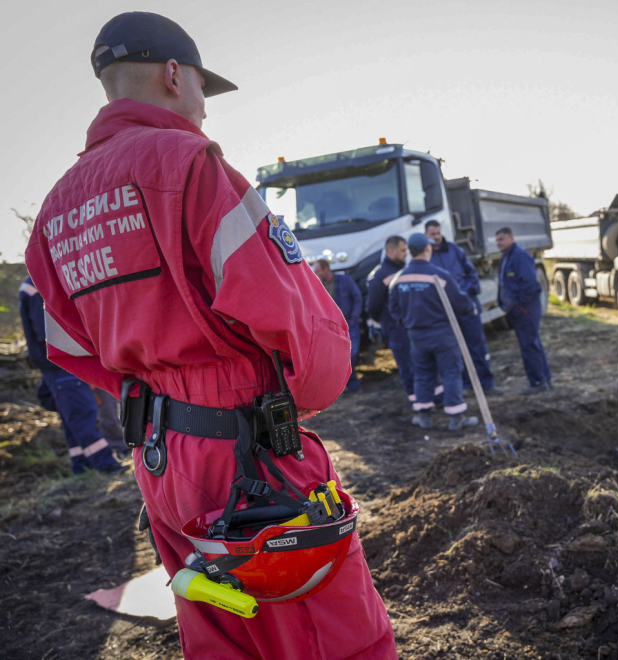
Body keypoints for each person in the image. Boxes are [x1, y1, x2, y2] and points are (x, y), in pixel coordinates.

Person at [24, 12, 395, 659]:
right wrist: (284, 395)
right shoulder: (190, 164)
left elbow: (70, 347)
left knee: (220, 632)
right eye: (201, 88)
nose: (201, 108)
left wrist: (159, 397)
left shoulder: (56, 211)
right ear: (174, 75)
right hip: (248, 454)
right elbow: (296, 320)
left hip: (159, 455)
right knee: (331, 634)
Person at [18, 277, 125, 475]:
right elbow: (46, 330)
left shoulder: (33, 284)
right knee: (81, 414)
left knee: (72, 417)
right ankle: (106, 464)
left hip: (56, 363)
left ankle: (81, 464)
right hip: (63, 361)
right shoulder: (38, 284)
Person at [388, 233, 479, 431]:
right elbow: (461, 302)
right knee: (451, 373)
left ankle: (424, 417)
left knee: (422, 374)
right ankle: (456, 418)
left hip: (416, 336)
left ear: (410, 251)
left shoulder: (398, 279)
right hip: (442, 334)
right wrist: (471, 308)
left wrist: (407, 324)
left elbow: (393, 309)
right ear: (427, 249)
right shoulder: (439, 275)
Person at [425, 220, 502, 395]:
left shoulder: (455, 250)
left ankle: (486, 384)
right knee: (456, 350)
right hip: (445, 311)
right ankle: (467, 385)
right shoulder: (426, 257)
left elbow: (472, 275)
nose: (436, 237)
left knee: (477, 346)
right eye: (433, 234)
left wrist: (464, 295)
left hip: (467, 308)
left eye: (438, 233)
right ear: (426, 236)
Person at [495, 227, 552, 395]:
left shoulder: (519, 256)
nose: (499, 243)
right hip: (519, 310)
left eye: (502, 239)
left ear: (511, 238)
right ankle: (545, 379)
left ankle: (537, 382)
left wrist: (519, 306)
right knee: (533, 344)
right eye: (497, 240)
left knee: (530, 346)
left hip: (525, 310)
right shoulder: (507, 257)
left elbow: (529, 284)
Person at [367, 236, 416, 404]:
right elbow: (373, 307)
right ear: (392, 251)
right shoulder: (380, 275)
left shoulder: (405, 270)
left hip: (410, 328)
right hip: (396, 330)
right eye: (403, 250)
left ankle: (429, 400)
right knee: (408, 367)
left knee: (419, 365)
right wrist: (387, 323)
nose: (406, 254)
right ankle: (417, 402)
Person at [313, 259, 363, 392]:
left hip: (349, 324)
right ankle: (347, 385)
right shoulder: (319, 286)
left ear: (326, 269)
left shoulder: (345, 280)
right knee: (339, 357)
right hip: (333, 328)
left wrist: (353, 319)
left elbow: (357, 298)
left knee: (352, 354)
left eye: (318, 271)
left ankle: (352, 384)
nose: (316, 273)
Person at [92, 386, 130, 457]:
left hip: (116, 377)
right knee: (109, 414)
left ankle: (126, 444)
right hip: (100, 381)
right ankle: (120, 447)